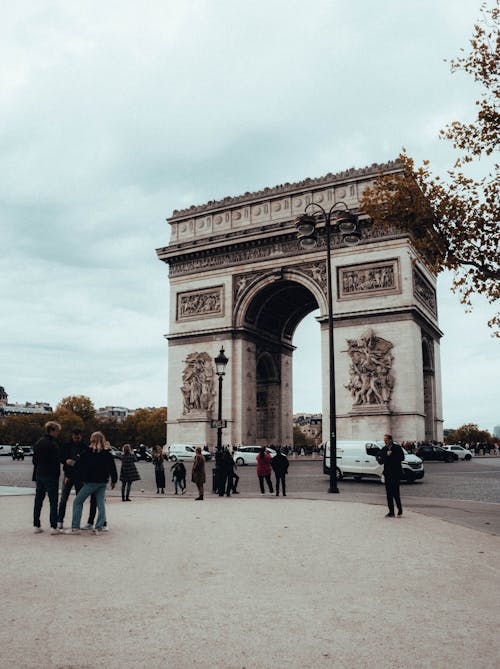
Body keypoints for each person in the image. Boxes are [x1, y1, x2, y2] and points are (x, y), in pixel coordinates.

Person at [69, 431, 117, 534]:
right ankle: (99, 526)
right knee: (101, 504)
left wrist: (71, 465)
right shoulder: (107, 453)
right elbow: (112, 468)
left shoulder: (87, 452)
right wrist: (114, 480)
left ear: (92, 440)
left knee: (77, 501)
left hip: (90, 481)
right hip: (102, 481)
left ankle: (75, 527)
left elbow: (79, 466)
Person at [33, 421, 62, 535]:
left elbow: (34, 461)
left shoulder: (39, 442)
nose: (58, 433)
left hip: (40, 473)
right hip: (51, 475)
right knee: (53, 501)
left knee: (38, 500)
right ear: (52, 431)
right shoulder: (53, 444)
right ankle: (53, 526)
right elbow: (57, 460)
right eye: (57, 431)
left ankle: (36, 525)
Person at [57, 428, 86, 529]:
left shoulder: (83, 446)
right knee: (64, 499)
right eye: (75, 436)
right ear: (72, 436)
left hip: (77, 476)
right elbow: (60, 457)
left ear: (80, 436)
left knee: (75, 500)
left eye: (77, 437)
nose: (76, 438)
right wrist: (66, 461)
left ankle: (74, 522)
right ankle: (60, 520)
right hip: (70, 475)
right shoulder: (67, 445)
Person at [377, 434, 404, 517]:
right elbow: (380, 461)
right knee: (388, 494)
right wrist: (386, 455)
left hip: (395, 473)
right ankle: (391, 511)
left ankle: (399, 509)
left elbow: (402, 458)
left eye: (386, 440)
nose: (385, 441)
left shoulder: (397, 448)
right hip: (387, 474)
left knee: (396, 493)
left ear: (391, 440)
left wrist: (392, 455)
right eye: (384, 440)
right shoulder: (384, 449)